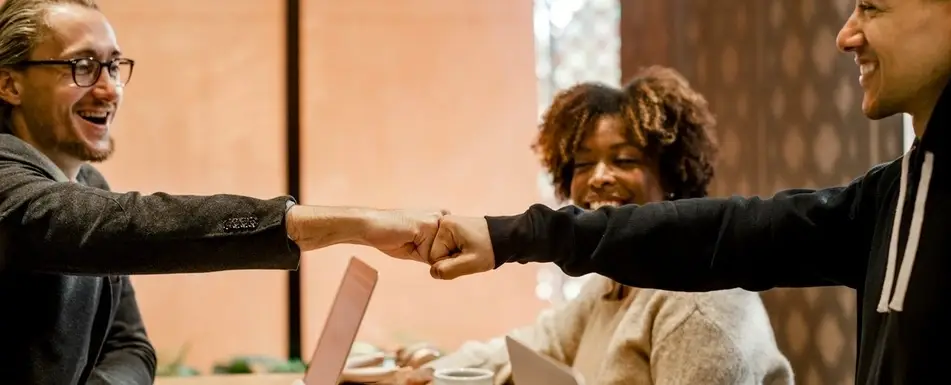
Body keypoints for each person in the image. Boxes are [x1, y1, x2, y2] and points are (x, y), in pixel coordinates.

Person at [425, 0, 951, 384]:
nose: (845, 35)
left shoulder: (700, 307)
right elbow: (734, 229)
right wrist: (428, 365)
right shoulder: (893, 192)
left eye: (872, 8)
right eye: (585, 164)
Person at [0, 0, 445, 383]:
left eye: (114, 65)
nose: (109, 87)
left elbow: (130, 346)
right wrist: (355, 224)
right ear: (9, 84)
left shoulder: (89, 184)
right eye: (81, 66)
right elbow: (124, 222)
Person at [396, 70, 793, 385]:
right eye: (583, 165)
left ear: (672, 175)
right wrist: (438, 369)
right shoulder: (613, 280)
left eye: (623, 160)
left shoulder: (699, 302)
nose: (599, 177)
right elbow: (539, 346)